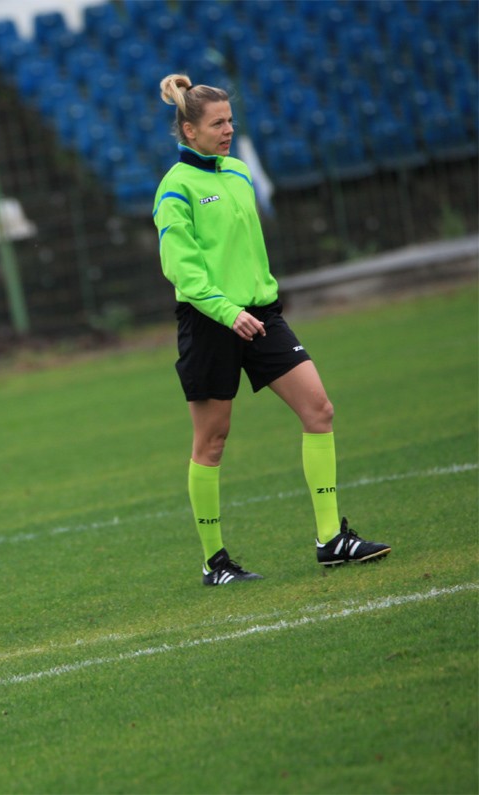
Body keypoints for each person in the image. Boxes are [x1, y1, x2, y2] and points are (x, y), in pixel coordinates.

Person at [151, 75, 392, 585]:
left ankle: (331, 539)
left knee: (319, 409)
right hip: (210, 323)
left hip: (262, 316)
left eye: (230, 121)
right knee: (212, 441)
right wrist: (225, 311)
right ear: (189, 131)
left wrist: (259, 298)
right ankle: (216, 562)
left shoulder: (238, 172)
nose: (228, 130)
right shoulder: (175, 188)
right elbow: (182, 270)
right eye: (217, 124)